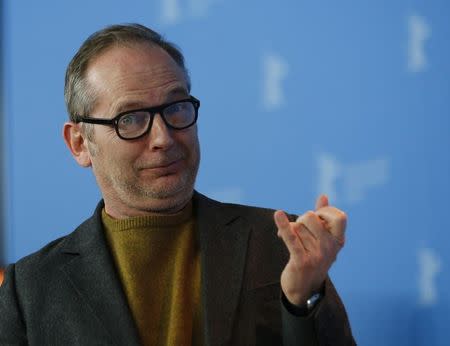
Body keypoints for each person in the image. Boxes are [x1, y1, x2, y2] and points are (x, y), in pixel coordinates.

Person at [0, 24, 355, 345]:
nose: (163, 138)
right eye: (132, 118)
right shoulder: (29, 289)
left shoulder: (280, 244)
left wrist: (301, 301)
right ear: (79, 144)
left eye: (177, 108)